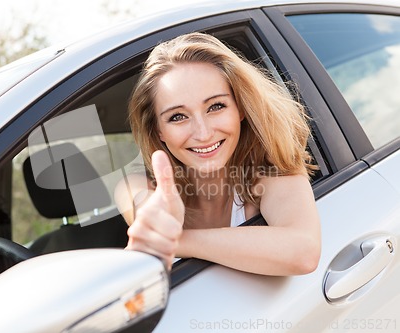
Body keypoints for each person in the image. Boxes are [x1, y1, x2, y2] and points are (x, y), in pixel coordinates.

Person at [114, 32, 321, 275]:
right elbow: (144, 207)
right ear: (158, 131)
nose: (203, 133)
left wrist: (178, 241)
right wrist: (156, 220)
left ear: (240, 109)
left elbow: (303, 253)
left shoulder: (271, 174)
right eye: (178, 117)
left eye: (216, 106)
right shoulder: (137, 184)